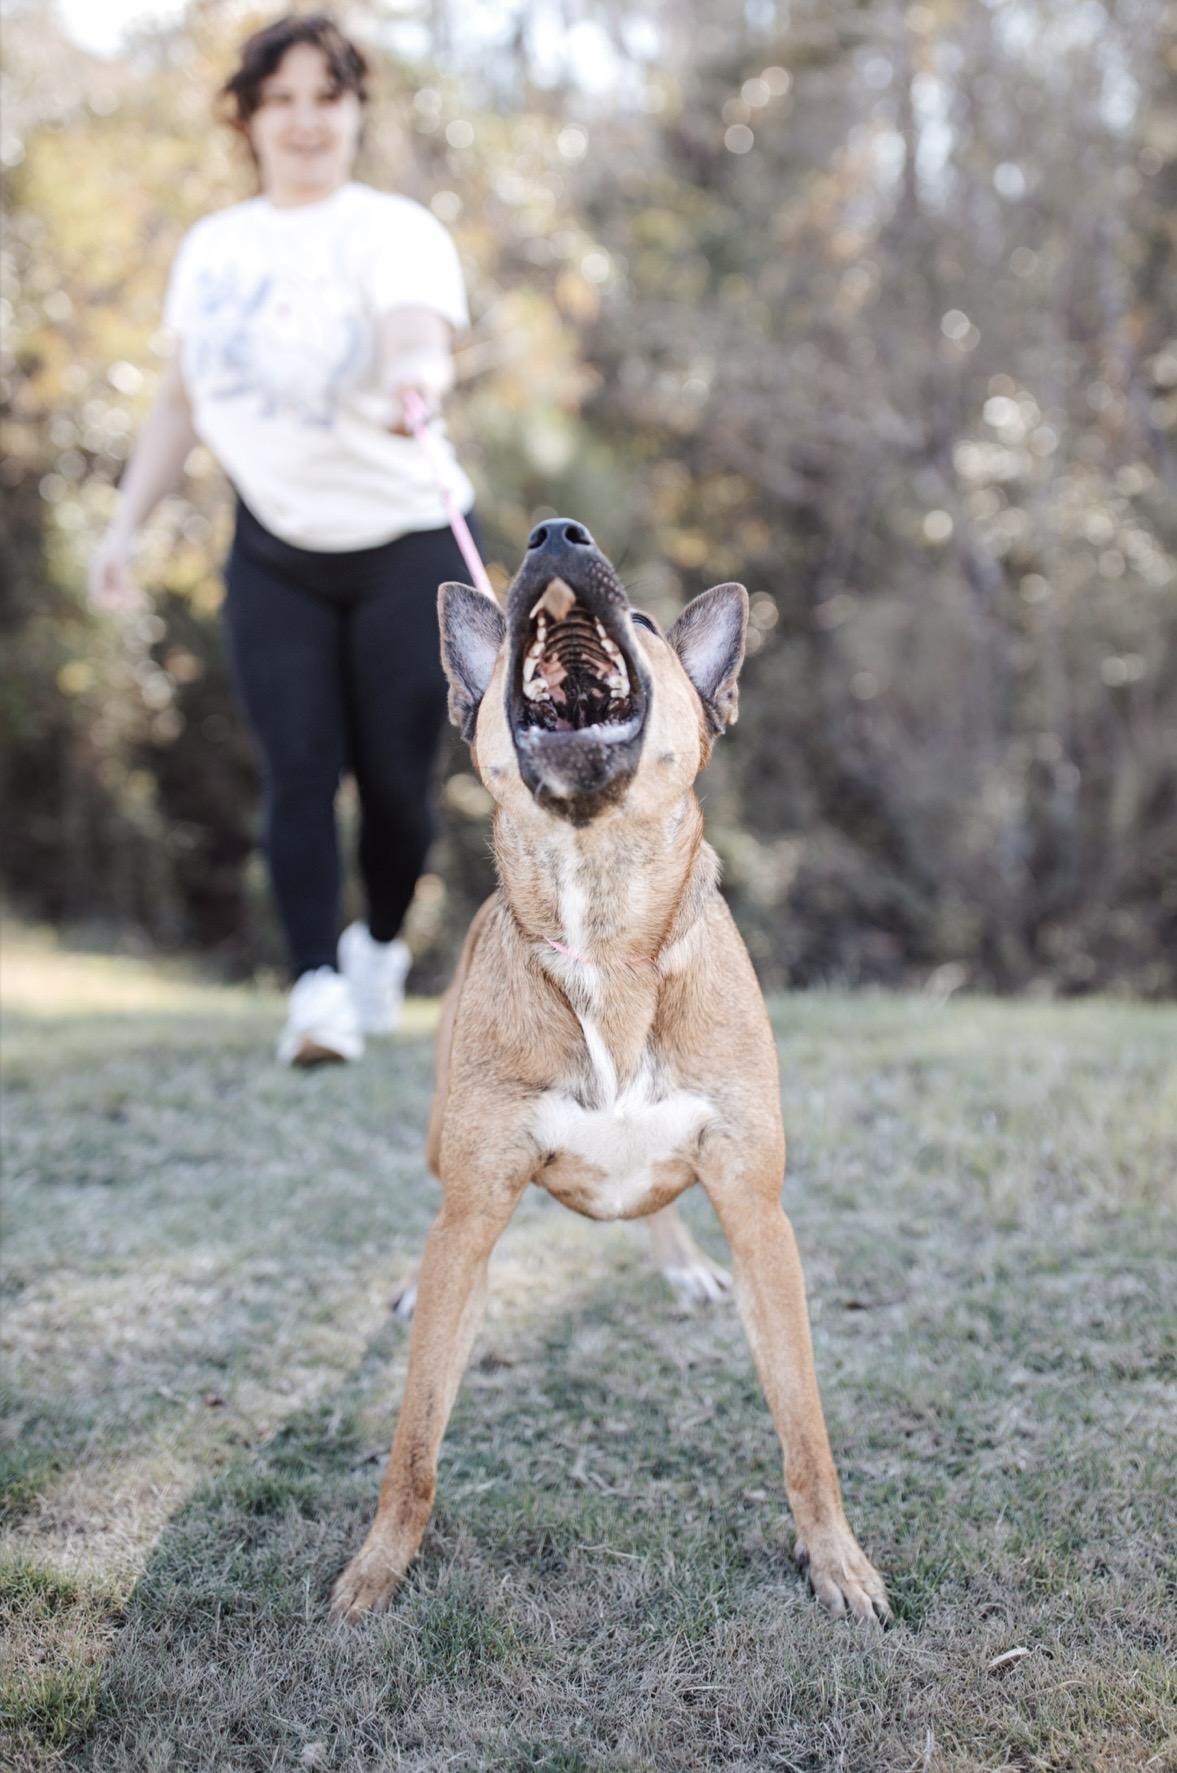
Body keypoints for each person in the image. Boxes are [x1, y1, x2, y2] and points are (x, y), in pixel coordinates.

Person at [89, 13, 480, 1066]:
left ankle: (380, 942)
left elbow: (416, 334)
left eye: (328, 97)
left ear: (356, 111)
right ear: (249, 117)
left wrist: (417, 380)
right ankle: (313, 989)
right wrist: (127, 524)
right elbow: (179, 402)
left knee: (399, 793)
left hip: (408, 544)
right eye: (283, 100)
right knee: (297, 771)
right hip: (276, 552)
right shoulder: (214, 250)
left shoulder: (392, 229)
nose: (306, 121)